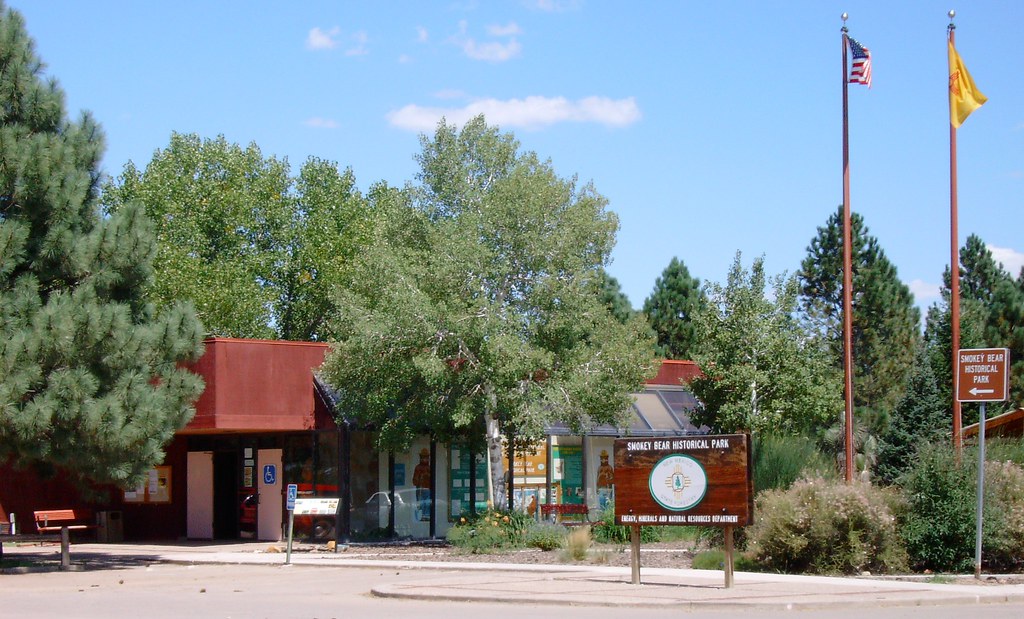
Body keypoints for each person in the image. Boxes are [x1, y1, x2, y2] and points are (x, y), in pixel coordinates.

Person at [413, 448, 431, 521]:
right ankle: (422, 517)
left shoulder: (429, 468)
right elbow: (414, 481)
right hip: (420, 488)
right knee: (421, 504)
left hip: (428, 489)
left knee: (427, 504)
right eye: (423, 457)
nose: (425, 459)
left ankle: (426, 516)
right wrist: (420, 477)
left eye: (426, 457)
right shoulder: (418, 467)